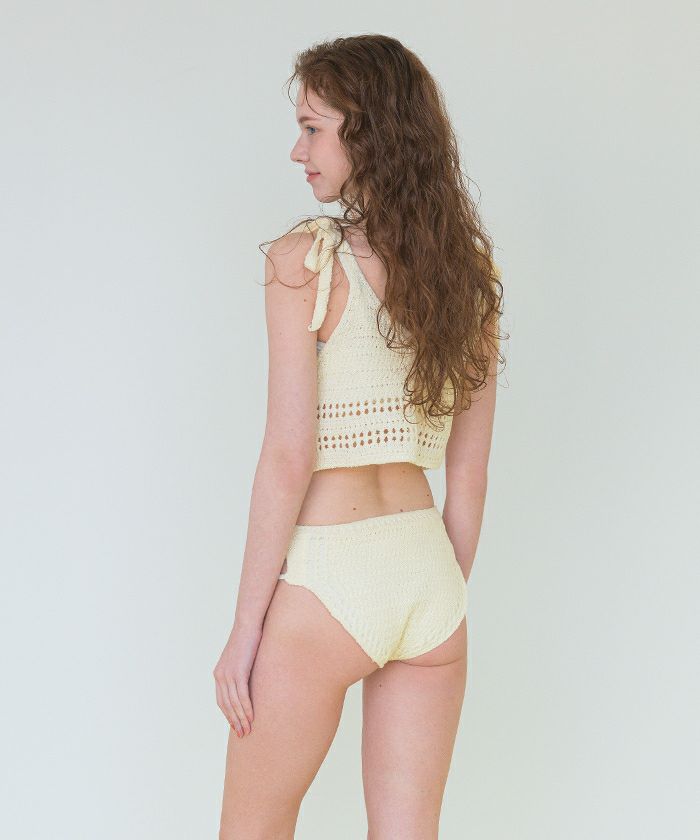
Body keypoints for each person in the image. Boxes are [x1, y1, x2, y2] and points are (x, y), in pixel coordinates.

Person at [214, 34, 505, 839]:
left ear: (367, 132)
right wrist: (433, 591)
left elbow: (287, 458)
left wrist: (245, 631)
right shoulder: (468, 277)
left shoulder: (306, 262)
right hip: (429, 579)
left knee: (252, 829)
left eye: (313, 128)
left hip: (328, 581)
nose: (298, 151)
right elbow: (470, 477)